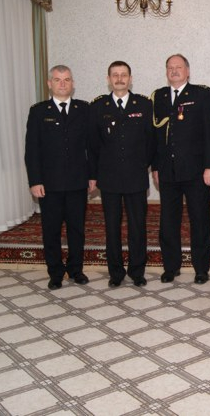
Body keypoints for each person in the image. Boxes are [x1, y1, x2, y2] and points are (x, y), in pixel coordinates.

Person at [151, 54, 210, 285]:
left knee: (199, 220)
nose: (174, 71)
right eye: (170, 67)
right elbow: (155, 136)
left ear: (187, 71)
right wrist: (155, 166)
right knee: (168, 222)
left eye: (178, 67)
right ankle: (171, 267)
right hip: (167, 170)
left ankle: (201, 268)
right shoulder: (159, 96)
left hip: (196, 170)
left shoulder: (201, 94)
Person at [24, 65, 92, 290]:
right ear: (49, 84)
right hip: (49, 184)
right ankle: (55, 272)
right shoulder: (38, 111)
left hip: (77, 182)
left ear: (73, 83)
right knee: (51, 230)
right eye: (57, 80)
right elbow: (32, 150)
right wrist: (35, 180)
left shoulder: (84, 109)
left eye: (67, 80)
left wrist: (92, 176)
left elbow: (91, 147)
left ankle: (76, 270)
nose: (62, 84)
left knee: (77, 229)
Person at [88, 61, 155, 288]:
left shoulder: (144, 105)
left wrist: (143, 164)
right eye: (115, 75)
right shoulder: (98, 106)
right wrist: (94, 174)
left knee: (138, 226)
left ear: (130, 79)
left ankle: (137, 271)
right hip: (109, 178)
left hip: (136, 176)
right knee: (112, 227)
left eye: (123, 75)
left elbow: (150, 141)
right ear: (108, 79)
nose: (119, 79)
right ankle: (115, 272)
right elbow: (93, 145)